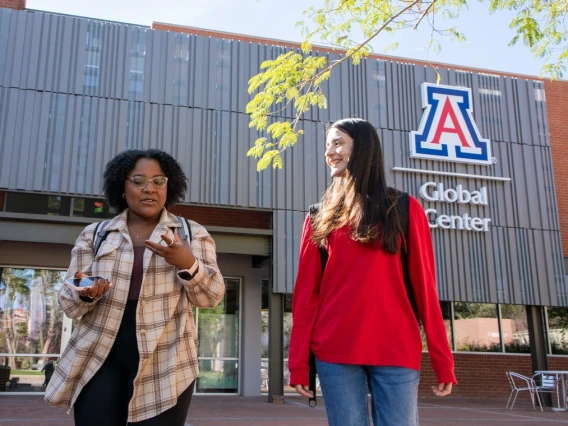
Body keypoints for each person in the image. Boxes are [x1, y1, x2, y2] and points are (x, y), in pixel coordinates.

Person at [288, 118, 456, 426]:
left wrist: (443, 360)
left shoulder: (404, 208)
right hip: (335, 350)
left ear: (363, 148)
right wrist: (298, 363)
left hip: (395, 348)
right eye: (327, 144)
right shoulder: (318, 217)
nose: (329, 152)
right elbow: (306, 297)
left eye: (337, 143)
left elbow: (425, 288)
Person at [45, 149, 225, 426]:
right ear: (122, 186)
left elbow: (211, 297)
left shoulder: (191, 233)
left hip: (167, 361)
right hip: (99, 357)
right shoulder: (96, 234)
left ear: (169, 186)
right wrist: (84, 293)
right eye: (138, 181)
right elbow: (69, 305)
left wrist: (188, 262)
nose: (149, 189)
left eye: (158, 181)